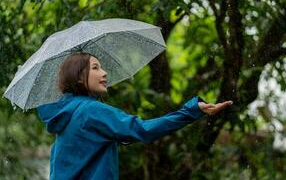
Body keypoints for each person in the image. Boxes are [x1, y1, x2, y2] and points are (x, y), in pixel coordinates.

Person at [37, 52, 233, 180]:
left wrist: (119, 136)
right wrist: (192, 110)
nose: (104, 73)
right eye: (96, 68)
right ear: (79, 77)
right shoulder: (91, 111)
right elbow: (143, 130)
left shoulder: (64, 115)